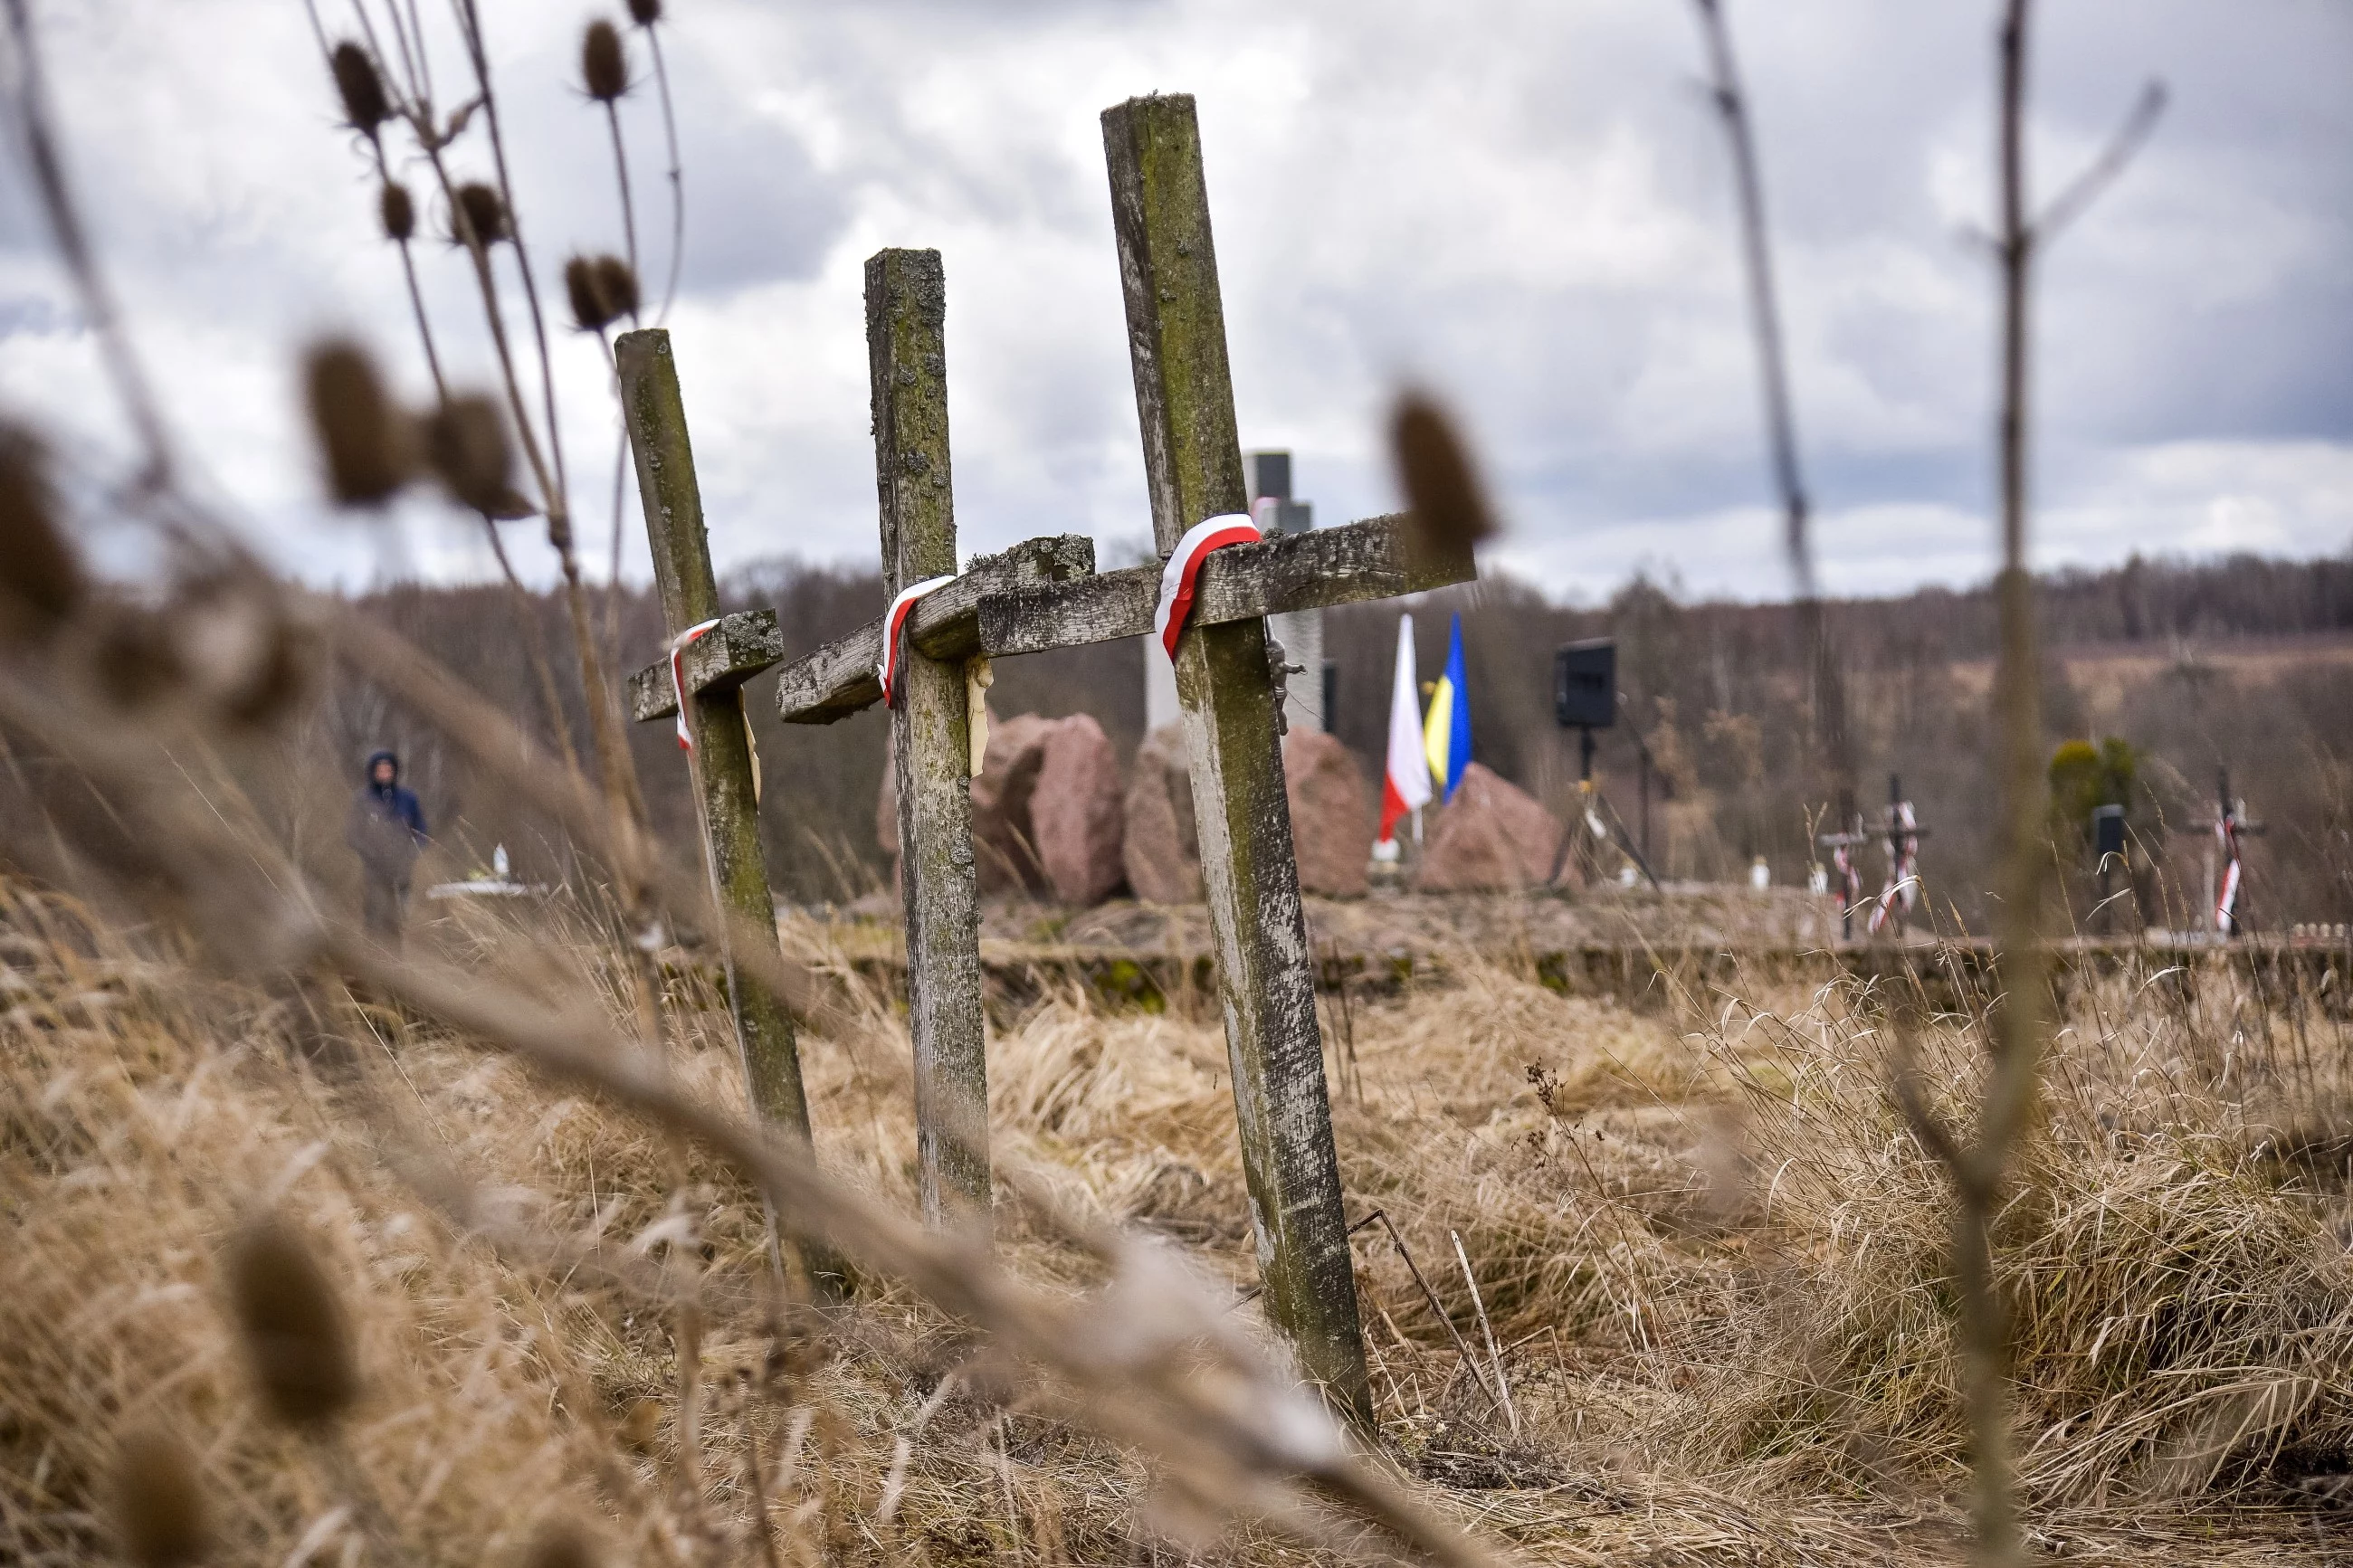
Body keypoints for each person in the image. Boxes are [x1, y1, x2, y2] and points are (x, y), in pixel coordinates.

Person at [346, 748, 428, 939]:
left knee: (398, 915)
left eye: (388, 769)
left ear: (395, 771)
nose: (384, 773)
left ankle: (396, 959)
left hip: (401, 866)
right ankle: (371, 955)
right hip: (372, 867)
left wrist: (413, 851)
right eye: (380, 770)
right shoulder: (363, 800)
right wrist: (368, 851)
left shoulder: (408, 799)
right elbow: (352, 833)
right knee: (373, 913)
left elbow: (421, 831)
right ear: (373, 772)